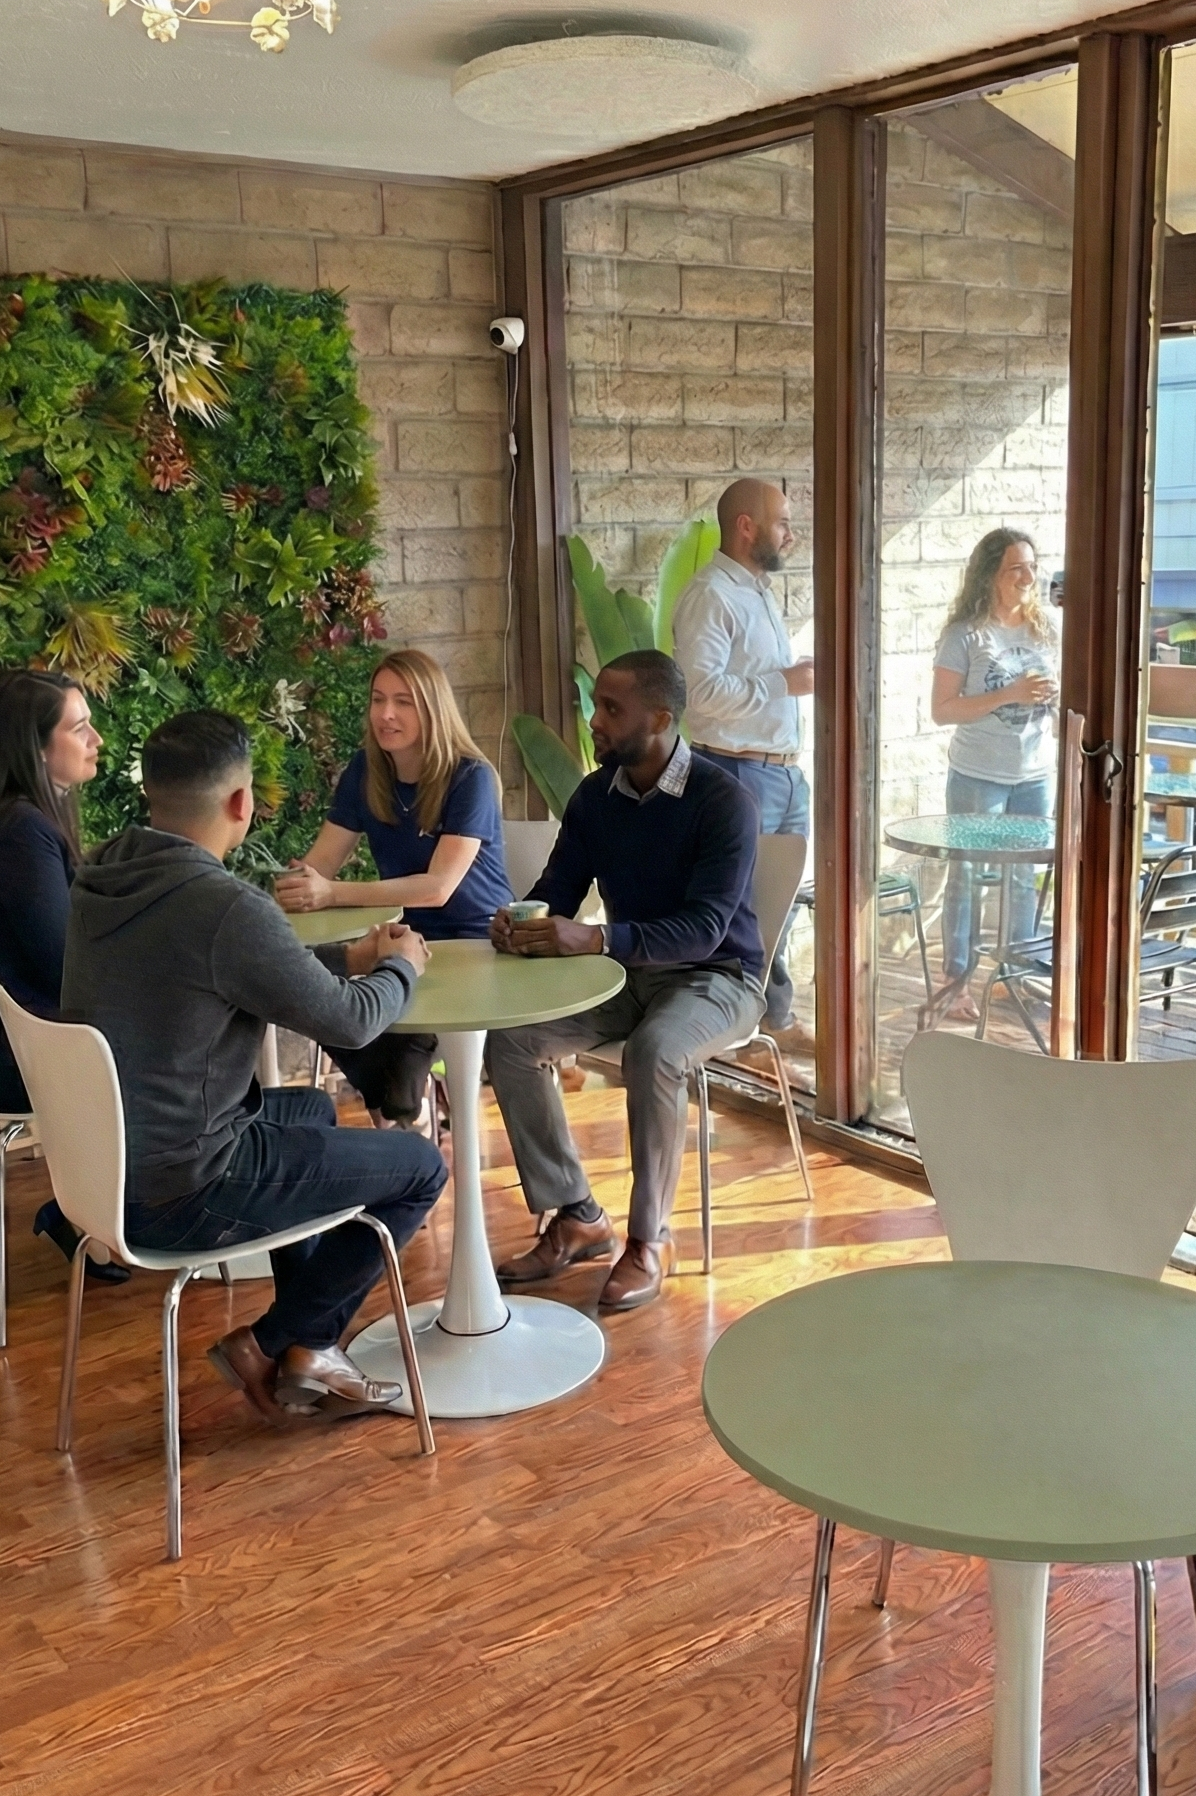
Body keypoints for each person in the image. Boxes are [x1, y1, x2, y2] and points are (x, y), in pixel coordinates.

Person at [62, 710, 448, 1423]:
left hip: (110, 1168)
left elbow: (231, 973)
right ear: (241, 803)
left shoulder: (107, 872)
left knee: (313, 1109)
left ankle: (307, 1349)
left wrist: (348, 959)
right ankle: (275, 1341)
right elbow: (353, 1021)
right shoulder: (223, 906)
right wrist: (399, 966)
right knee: (421, 1167)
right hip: (188, 1186)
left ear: (153, 792)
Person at [484, 650, 763, 1314]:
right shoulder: (593, 796)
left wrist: (601, 937)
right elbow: (559, 888)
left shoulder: (723, 802)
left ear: (661, 719)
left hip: (717, 976)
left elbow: (703, 928)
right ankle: (578, 1214)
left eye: (612, 708)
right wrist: (522, 919)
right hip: (627, 973)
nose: (595, 720)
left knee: (657, 1051)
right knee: (513, 1040)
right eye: (595, 704)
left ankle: (647, 1240)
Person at [0, 666, 127, 1285]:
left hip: (1, 1036)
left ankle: (102, 1209)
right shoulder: (18, 832)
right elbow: (69, 965)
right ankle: (110, 1212)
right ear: (36, 748)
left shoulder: (6, 821)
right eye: (80, 728)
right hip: (15, 1054)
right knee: (176, 1035)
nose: (96, 738)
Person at [274, 648, 513, 1128]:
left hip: (474, 942)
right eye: (378, 700)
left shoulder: (471, 777)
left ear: (432, 709)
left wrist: (332, 892)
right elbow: (321, 864)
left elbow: (437, 889)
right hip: (401, 941)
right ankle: (403, 1111)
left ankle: (405, 1111)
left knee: (392, 1055)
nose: (386, 714)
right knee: (314, 994)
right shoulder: (366, 770)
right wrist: (297, 885)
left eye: (403, 702)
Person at [671, 477, 814, 1061]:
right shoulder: (711, 595)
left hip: (780, 772)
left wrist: (787, 677)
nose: (791, 533)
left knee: (776, 900)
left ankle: (768, 1015)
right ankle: (758, 1019)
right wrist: (788, 681)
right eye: (782, 522)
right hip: (736, 771)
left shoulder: (754, 590)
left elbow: (750, 680)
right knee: (747, 902)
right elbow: (700, 696)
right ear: (746, 526)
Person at [931, 528, 1061, 1023]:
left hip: (1034, 773)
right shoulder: (966, 635)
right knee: (966, 877)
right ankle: (955, 982)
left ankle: (1015, 977)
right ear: (991, 574)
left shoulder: (1042, 629)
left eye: (1032, 565)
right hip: (977, 774)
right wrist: (1010, 694)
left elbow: (1051, 691)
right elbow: (943, 710)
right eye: (1016, 568)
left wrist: (1048, 699)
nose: (1029, 577)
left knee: (1022, 877)